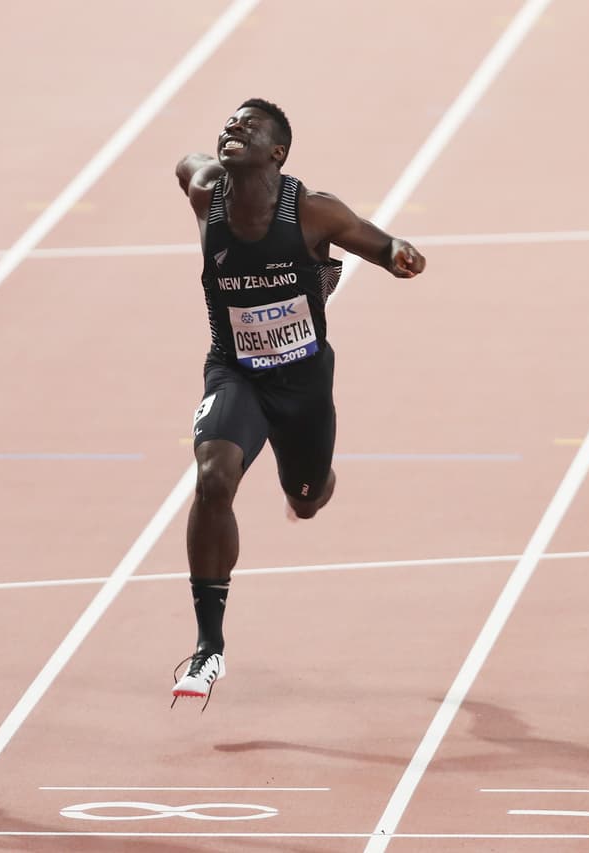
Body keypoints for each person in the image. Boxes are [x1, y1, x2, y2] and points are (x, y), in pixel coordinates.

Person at [171, 99, 425, 707]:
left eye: (248, 127)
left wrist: (398, 257)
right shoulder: (208, 194)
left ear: (277, 153)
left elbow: (381, 244)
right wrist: (194, 162)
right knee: (213, 477)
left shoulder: (313, 212)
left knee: (306, 499)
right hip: (235, 373)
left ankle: (311, 484)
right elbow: (187, 165)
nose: (232, 127)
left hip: (304, 383)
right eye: (228, 122)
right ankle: (209, 647)